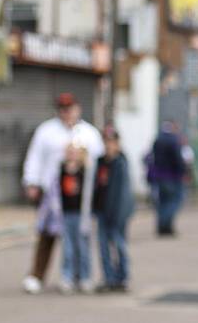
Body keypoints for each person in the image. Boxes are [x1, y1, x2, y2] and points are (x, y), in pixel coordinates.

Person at [21, 93, 103, 293]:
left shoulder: (89, 133)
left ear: (78, 108)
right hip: (53, 195)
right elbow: (35, 157)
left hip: (80, 198)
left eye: (70, 108)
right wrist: (32, 182)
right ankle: (36, 276)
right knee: (46, 235)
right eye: (62, 109)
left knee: (78, 240)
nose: (66, 113)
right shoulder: (46, 131)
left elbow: (99, 161)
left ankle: (79, 276)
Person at [93, 126, 134, 292]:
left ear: (117, 143)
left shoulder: (121, 163)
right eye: (106, 142)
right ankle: (108, 278)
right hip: (102, 212)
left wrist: (119, 215)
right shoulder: (100, 162)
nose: (109, 146)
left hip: (118, 214)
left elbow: (123, 194)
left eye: (112, 142)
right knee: (103, 247)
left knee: (119, 246)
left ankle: (122, 278)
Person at [57, 142, 93, 293]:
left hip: (81, 214)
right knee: (68, 248)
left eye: (75, 152)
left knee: (83, 247)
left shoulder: (86, 171)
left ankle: (84, 277)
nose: (72, 155)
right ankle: (67, 276)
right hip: (66, 214)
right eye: (69, 152)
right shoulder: (61, 170)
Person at [147, 121, 188, 236]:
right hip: (172, 176)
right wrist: (183, 172)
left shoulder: (158, 139)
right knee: (174, 201)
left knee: (163, 202)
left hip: (159, 176)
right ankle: (166, 224)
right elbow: (178, 159)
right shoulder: (173, 140)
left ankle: (163, 227)